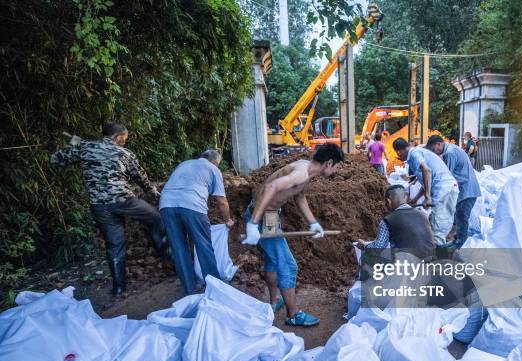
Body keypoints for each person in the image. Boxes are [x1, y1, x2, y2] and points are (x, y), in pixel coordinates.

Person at [50, 122, 166, 295]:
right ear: (117, 136)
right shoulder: (124, 153)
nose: (124, 142)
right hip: (124, 200)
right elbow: (140, 177)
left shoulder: (85, 148)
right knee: (156, 218)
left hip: (99, 205)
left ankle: (119, 288)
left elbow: (55, 160)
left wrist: (77, 147)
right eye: (124, 139)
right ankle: (168, 256)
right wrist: (153, 192)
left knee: (114, 245)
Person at [242, 143, 344, 327]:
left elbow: (299, 196)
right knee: (288, 266)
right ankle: (293, 315)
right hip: (263, 216)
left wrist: (313, 223)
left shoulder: (306, 170)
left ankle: (274, 302)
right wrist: (253, 224)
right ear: (329, 163)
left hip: (270, 215)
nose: (336, 170)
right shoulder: (301, 172)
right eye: (337, 166)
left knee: (273, 261)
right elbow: (270, 187)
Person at [159, 150, 234, 295]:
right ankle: (214, 287)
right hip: (192, 206)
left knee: (179, 248)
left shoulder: (184, 164)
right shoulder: (213, 169)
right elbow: (221, 201)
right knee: (204, 245)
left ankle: (190, 288)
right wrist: (228, 220)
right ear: (214, 162)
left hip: (166, 205)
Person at [392, 138, 459, 246]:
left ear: (398, 151)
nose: (399, 156)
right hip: (446, 188)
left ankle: (438, 259)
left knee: (438, 228)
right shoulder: (417, 153)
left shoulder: (414, 153)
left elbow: (426, 171)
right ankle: (439, 253)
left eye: (397, 154)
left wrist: (428, 197)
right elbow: (426, 179)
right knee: (436, 224)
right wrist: (416, 199)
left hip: (444, 189)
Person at [427, 135, 481, 248]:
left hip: (467, 190)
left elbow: (445, 176)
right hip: (465, 188)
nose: (434, 153)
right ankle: (457, 241)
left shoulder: (449, 154)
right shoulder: (452, 149)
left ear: (439, 144)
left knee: (462, 218)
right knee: (458, 216)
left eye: (433, 150)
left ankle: (460, 245)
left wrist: (433, 195)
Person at [357, 185, 435, 259]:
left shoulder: (388, 220)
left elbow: (377, 248)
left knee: (369, 259)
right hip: (431, 261)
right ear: (406, 198)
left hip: (408, 266)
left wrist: (364, 246)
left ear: (388, 201)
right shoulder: (423, 215)